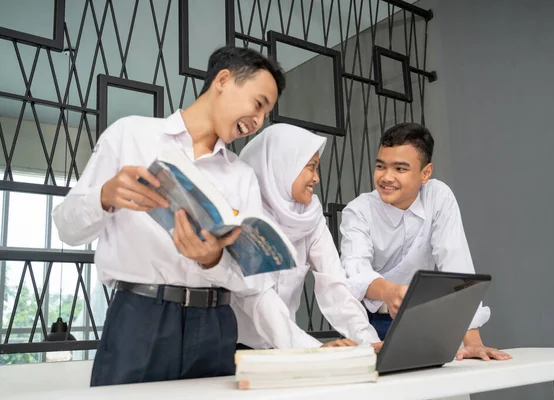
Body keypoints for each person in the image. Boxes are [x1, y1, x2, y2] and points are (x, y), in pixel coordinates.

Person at [53, 46, 344, 387]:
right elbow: (66, 228)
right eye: (259, 103)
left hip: (216, 324)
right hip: (140, 317)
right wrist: (103, 196)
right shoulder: (131, 135)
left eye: (266, 112)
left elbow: (254, 285)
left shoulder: (241, 175)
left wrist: (214, 260)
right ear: (223, 80)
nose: (259, 120)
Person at [340, 122, 511, 361]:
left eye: (400, 169)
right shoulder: (358, 211)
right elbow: (354, 272)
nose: (386, 177)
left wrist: (472, 341)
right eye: (380, 166)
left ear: (426, 173)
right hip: (371, 321)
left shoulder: (438, 196)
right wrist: (391, 293)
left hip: (427, 322)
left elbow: (456, 266)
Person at [234, 123, 382, 351]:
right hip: (238, 348)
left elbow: (335, 285)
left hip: (287, 349)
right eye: (311, 167)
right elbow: (258, 297)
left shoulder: (310, 215)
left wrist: (368, 341)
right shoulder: (244, 216)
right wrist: (312, 350)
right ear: (281, 165)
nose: (316, 179)